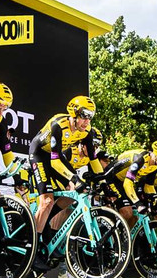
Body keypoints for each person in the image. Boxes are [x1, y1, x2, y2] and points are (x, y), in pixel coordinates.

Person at [28, 96, 104, 239]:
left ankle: (45, 222)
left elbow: (93, 159)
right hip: (40, 154)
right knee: (47, 201)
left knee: (74, 193)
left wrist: (103, 181)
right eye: (84, 116)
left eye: (90, 117)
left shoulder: (87, 130)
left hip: (56, 156)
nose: (87, 121)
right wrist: (73, 178)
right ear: (74, 114)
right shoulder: (59, 124)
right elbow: (55, 161)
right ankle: (34, 243)